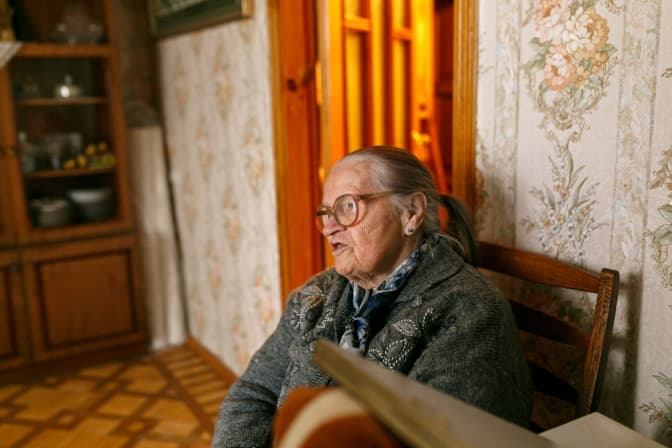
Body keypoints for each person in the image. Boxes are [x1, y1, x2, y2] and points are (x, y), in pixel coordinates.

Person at [212, 146, 532, 447]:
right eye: (326, 212)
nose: (329, 228)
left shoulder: (469, 312)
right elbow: (255, 391)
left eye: (347, 207)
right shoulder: (316, 294)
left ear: (411, 213)